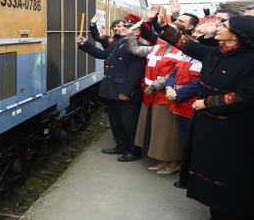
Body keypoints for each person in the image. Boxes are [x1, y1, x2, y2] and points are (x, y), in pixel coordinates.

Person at [158, 15, 254, 219]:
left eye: (224, 25)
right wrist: (164, 26)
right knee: (209, 169)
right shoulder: (215, 52)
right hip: (208, 126)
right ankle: (215, 212)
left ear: (237, 35)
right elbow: (185, 44)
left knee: (227, 175)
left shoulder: (250, 60)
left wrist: (208, 103)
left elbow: (246, 96)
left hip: (233, 132)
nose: (219, 27)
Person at [77, 17, 147, 162]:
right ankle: (121, 145)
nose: (122, 29)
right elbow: (102, 54)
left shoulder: (139, 47)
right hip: (112, 88)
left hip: (125, 91)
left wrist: (126, 91)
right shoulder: (119, 43)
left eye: (126, 28)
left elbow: (135, 72)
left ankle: (133, 151)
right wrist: (85, 44)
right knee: (116, 121)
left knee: (129, 122)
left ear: (137, 31)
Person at [127, 17, 184, 176]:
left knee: (168, 131)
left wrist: (155, 85)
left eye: (170, 30)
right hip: (151, 94)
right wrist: (131, 34)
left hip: (166, 96)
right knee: (159, 129)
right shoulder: (158, 47)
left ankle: (174, 162)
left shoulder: (182, 51)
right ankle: (165, 160)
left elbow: (176, 73)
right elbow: (135, 50)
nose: (165, 32)